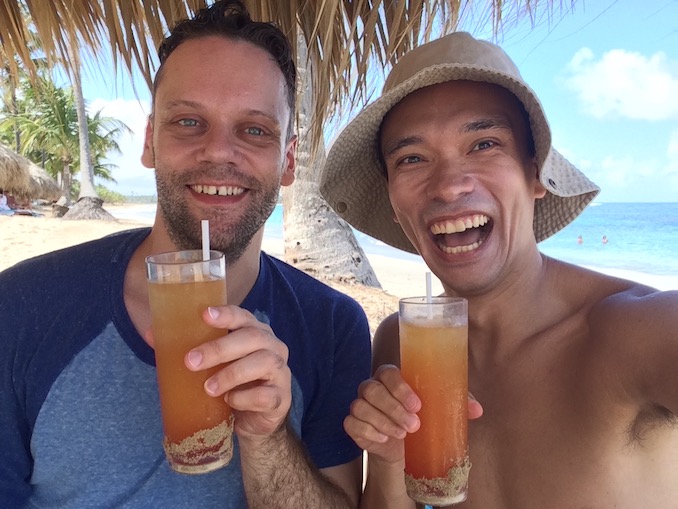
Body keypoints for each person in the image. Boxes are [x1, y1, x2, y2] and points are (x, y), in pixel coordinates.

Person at [0, 2, 370, 508]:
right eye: (189, 121)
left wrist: (268, 438)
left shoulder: (333, 326)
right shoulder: (21, 306)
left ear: (287, 160)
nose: (219, 151)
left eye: (255, 129)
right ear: (151, 140)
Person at [320, 32, 678, 508]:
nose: (448, 186)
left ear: (536, 173)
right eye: (412, 158)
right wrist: (388, 464)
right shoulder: (398, 343)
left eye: (484, 143)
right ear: (392, 201)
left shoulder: (635, 331)